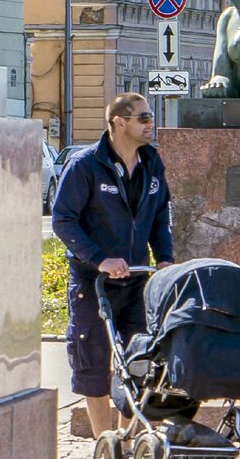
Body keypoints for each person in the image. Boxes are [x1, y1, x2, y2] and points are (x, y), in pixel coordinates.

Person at [52, 93, 174, 438]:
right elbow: (63, 220)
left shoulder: (151, 163)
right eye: (144, 118)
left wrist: (164, 258)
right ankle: (105, 443)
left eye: (150, 117)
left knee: (140, 362)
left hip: (137, 281)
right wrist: (100, 260)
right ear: (119, 122)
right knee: (93, 360)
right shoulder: (86, 165)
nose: (151, 124)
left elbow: (160, 217)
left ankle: (126, 440)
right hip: (93, 283)